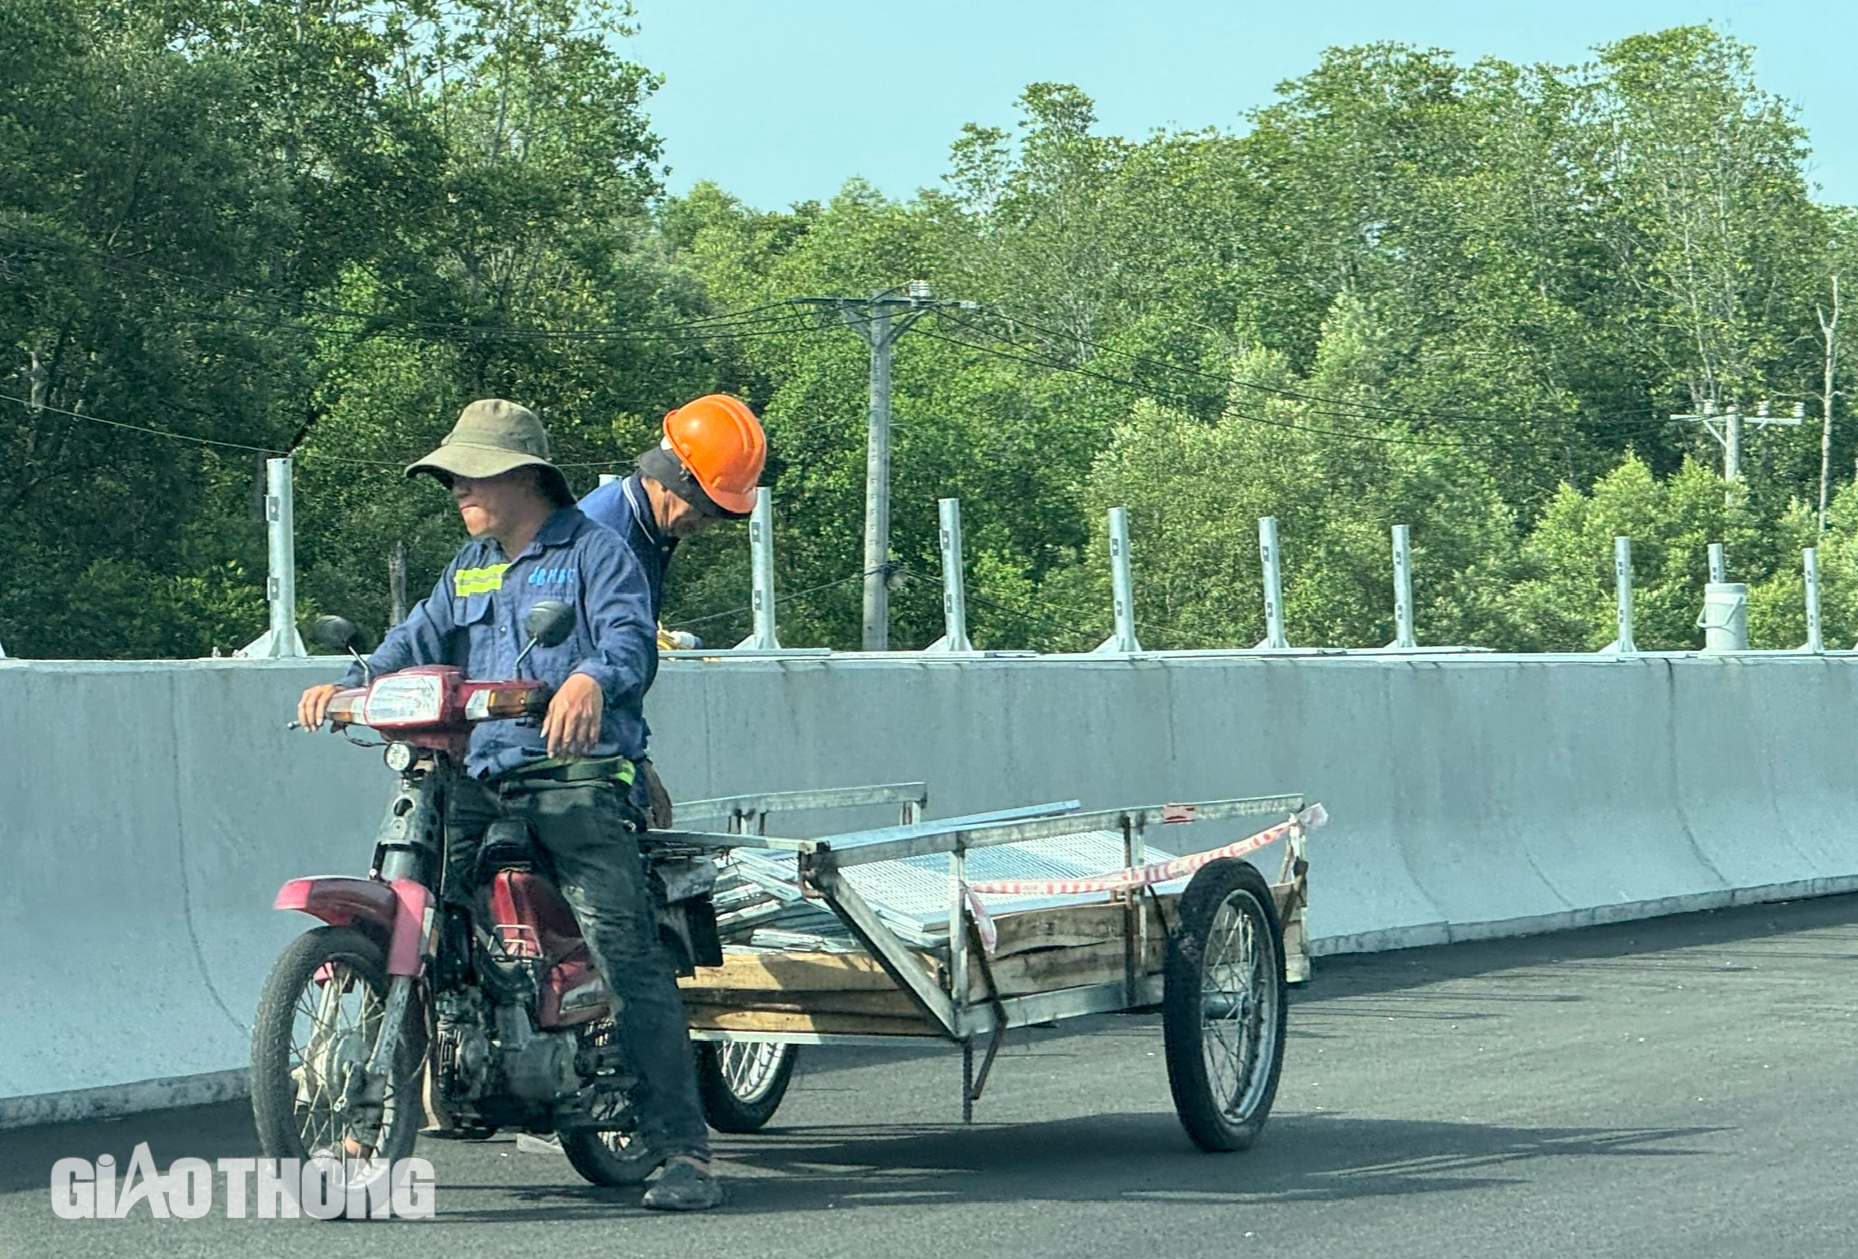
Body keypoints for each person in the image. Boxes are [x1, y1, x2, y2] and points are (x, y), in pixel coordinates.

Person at [294, 399, 723, 1212]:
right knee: (418, 918)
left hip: (573, 774)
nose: (456, 485)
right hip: (476, 772)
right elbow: (413, 640)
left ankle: (683, 1151)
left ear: (524, 476)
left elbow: (628, 640)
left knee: (621, 941)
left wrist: (592, 679)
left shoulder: (596, 553)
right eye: (452, 473)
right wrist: (350, 688)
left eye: (471, 471)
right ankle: (373, 1107)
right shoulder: (471, 564)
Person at [579, 393, 767, 826]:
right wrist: (635, 766)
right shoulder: (610, 537)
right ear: (671, 478)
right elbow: (596, 668)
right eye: (704, 508)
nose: (705, 523)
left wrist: (639, 762)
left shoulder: (648, 528)